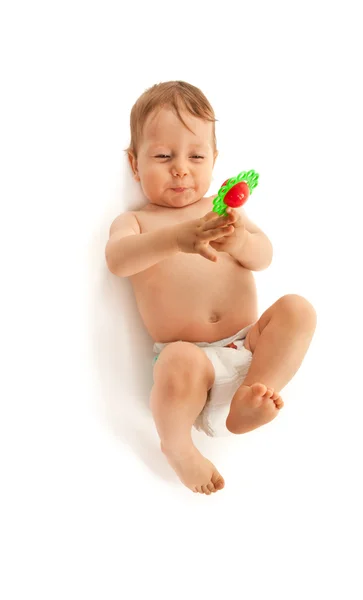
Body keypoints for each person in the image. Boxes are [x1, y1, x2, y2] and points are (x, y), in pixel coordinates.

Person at [105, 81, 317, 495]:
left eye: (196, 155)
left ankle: (256, 393)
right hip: (191, 363)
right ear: (134, 164)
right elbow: (118, 260)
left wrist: (239, 240)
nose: (181, 168)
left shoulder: (223, 210)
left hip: (248, 346)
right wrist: (175, 240)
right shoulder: (137, 223)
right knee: (176, 361)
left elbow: (264, 255)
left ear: (215, 159)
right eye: (163, 156)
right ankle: (179, 445)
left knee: (298, 309)